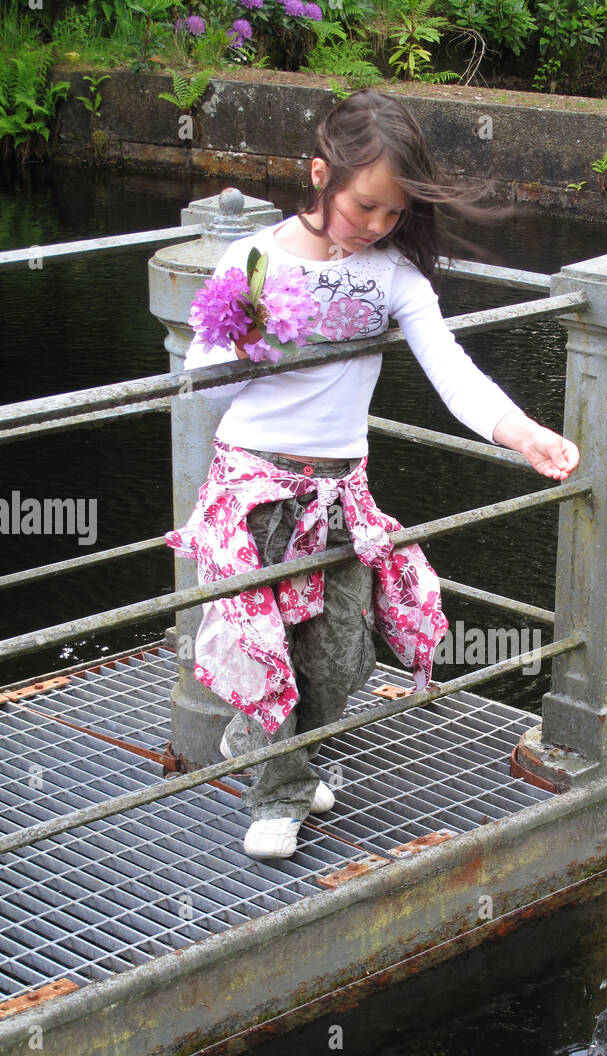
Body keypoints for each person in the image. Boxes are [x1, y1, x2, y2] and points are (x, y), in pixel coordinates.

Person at [166, 89, 580, 861]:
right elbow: (207, 384)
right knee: (265, 648)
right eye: (367, 207)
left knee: (342, 654)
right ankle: (279, 792)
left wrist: (522, 433)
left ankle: (258, 741)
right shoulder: (252, 259)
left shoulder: (393, 277)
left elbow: (453, 372)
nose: (379, 226)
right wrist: (248, 339)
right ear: (322, 176)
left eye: (395, 213)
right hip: (254, 484)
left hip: (339, 494)